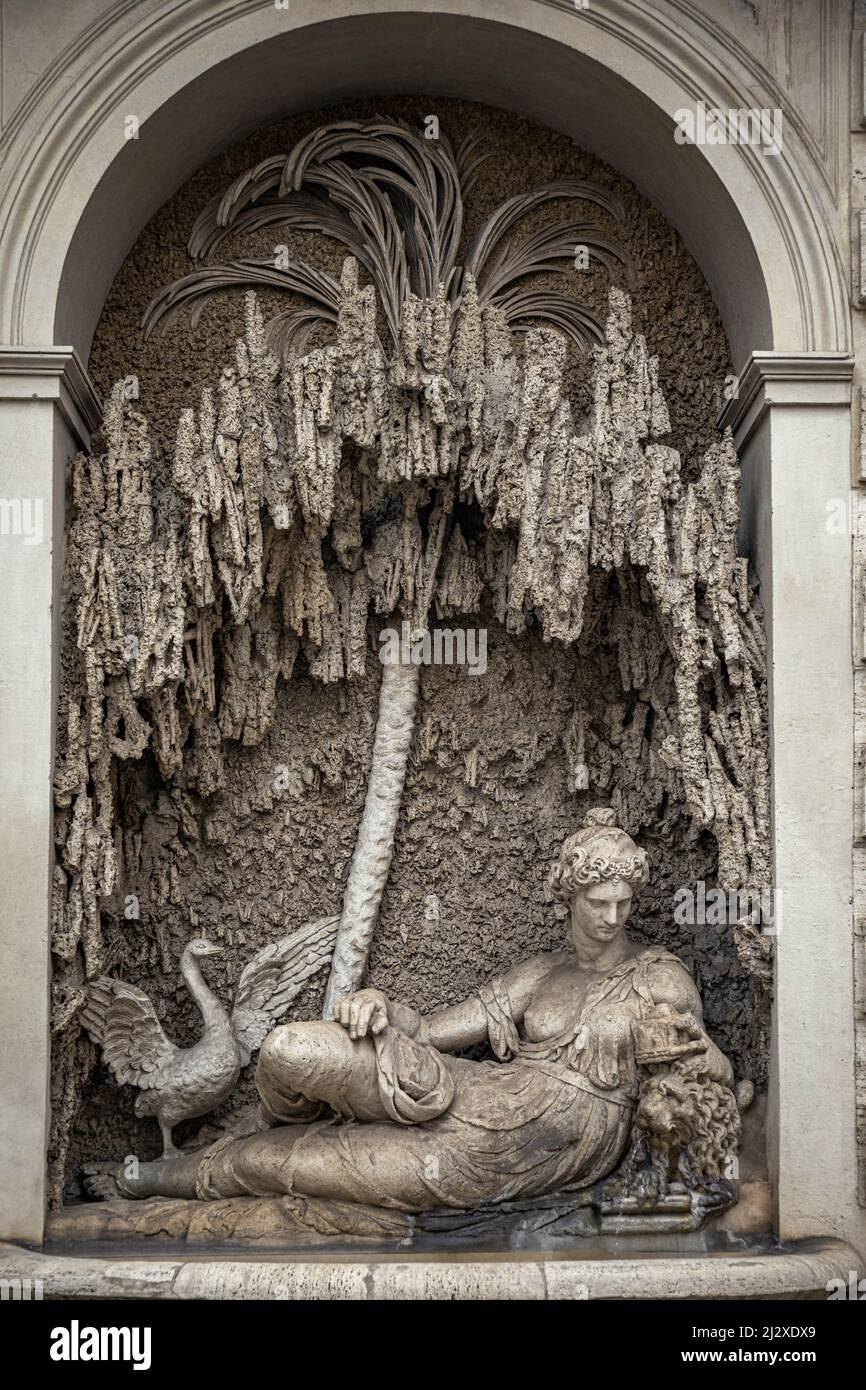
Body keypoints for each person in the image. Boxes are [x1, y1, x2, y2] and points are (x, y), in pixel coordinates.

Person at [107, 808, 733, 1209]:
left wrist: (692, 1052)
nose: (613, 916)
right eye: (598, 901)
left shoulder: (659, 977)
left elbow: (715, 1075)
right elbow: (433, 1032)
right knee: (290, 1048)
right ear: (568, 897)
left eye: (623, 902)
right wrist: (381, 1005)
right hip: (480, 1089)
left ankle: (161, 1179)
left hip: (531, 1147)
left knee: (306, 1166)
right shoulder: (541, 973)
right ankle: (262, 1117)